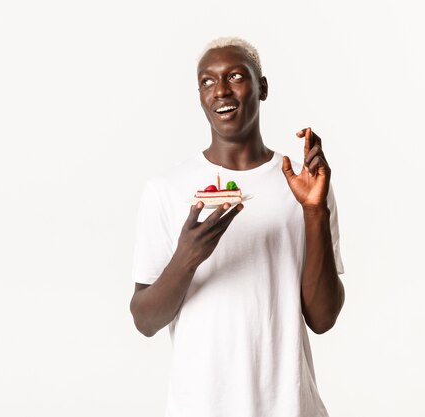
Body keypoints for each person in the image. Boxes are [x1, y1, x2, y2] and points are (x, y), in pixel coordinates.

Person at [130, 37, 345, 417]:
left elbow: (323, 318)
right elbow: (145, 320)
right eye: (208, 81)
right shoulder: (165, 190)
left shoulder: (304, 185)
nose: (221, 90)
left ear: (262, 87)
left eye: (235, 76)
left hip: (291, 407)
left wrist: (314, 211)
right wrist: (186, 258)